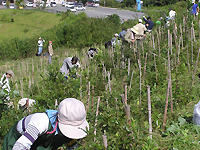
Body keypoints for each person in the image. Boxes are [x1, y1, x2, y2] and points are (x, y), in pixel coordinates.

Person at [2, 98, 89, 150]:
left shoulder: (72, 132)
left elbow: (72, 146)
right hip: (17, 140)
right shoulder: (40, 122)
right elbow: (20, 147)